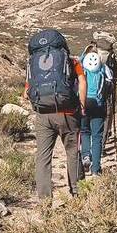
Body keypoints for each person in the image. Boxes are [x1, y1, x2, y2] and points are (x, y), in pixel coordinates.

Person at [23, 29, 87, 199]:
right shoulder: (72, 62)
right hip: (68, 113)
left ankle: (45, 202)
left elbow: (26, 92)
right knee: (73, 152)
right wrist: (81, 106)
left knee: (43, 158)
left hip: (43, 114)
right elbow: (82, 82)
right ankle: (78, 193)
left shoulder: (33, 64)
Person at [79, 51, 114, 175]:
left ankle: (85, 156)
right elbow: (110, 86)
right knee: (97, 136)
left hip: (83, 104)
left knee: (84, 132)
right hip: (99, 106)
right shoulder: (104, 68)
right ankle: (96, 169)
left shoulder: (81, 68)